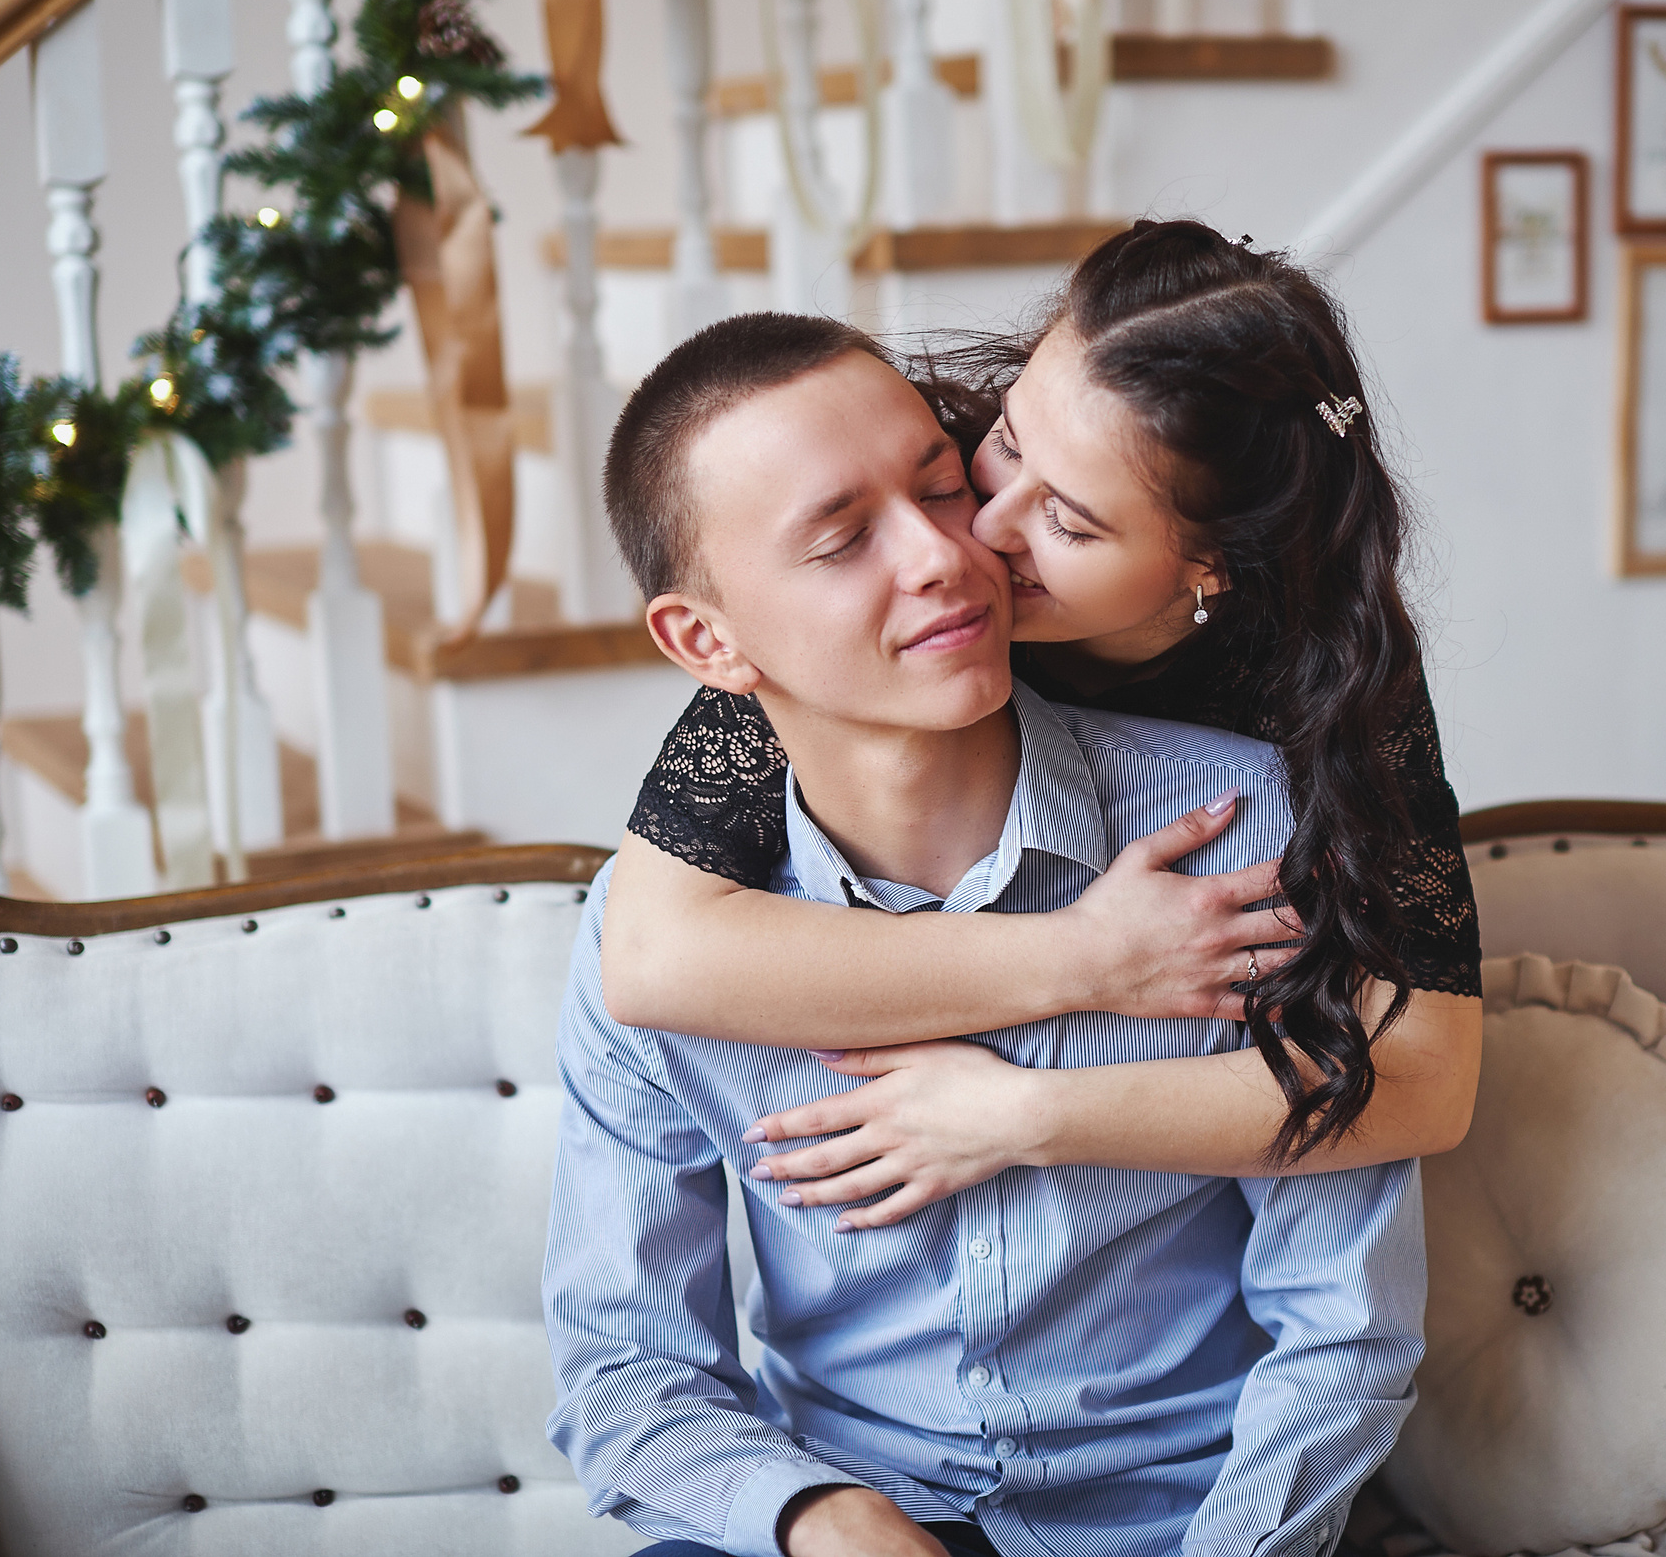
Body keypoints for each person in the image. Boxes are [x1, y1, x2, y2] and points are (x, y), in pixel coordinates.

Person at [546, 313, 1437, 1557]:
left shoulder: (1249, 824)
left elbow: (1341, 1325)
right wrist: (819, 1516)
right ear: (709, 641)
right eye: (843, 537)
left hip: (1192, 1518)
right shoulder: (656, 937)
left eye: (941, 485)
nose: (942, 556)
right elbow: (624, 1376)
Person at [599, 220, 1480, 1230]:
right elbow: (650, 957)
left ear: (1213, 566)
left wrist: (1026, 1114)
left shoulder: (1323, 677)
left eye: (1067, 520)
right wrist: (1086, 959)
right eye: (1004, 441)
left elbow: (1426, 1077)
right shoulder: (905, 563)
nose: (972, 532)